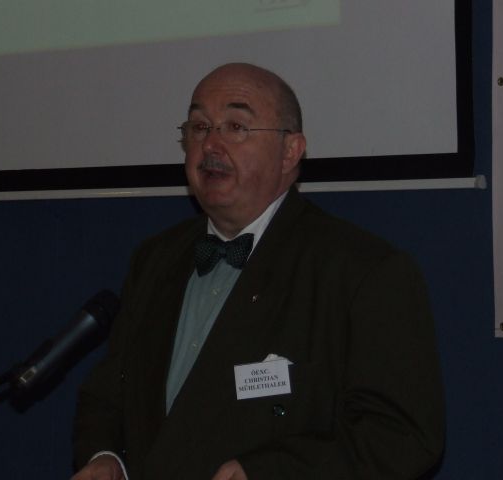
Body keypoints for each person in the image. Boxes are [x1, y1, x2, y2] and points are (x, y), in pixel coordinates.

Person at [71, 63, 444, 480]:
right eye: (199, 127)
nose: (210, 144)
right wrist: (105, 456)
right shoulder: (155, 258)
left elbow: (402, 436)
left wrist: (269, 472)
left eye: (236, 126)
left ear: (290, 151)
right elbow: (109, 393)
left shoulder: (362, 271)